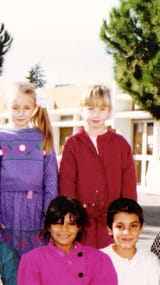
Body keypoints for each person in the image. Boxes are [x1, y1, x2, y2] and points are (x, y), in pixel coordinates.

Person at [0, 82, 58, 254]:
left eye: (26, 108)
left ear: (34, 108)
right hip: (5, 210)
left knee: (34, 259)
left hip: (36, 212)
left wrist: (49, 215)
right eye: (15, 107)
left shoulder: (43, 139)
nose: (20, 113)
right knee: (5, 258)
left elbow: (51, 181)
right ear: (6, 107)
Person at [58, 84, 137, 248]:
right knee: (82, 261)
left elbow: (128, 186)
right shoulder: (73, 144)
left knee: (109, 261)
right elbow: (67, 183)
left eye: (102, 109)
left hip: (112, 223)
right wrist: (72, 217)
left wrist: (126, 219)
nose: (96, 114)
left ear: (109, 111)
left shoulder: (120, 144)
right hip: (81, 224)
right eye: (91, 108)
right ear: (81, 109)